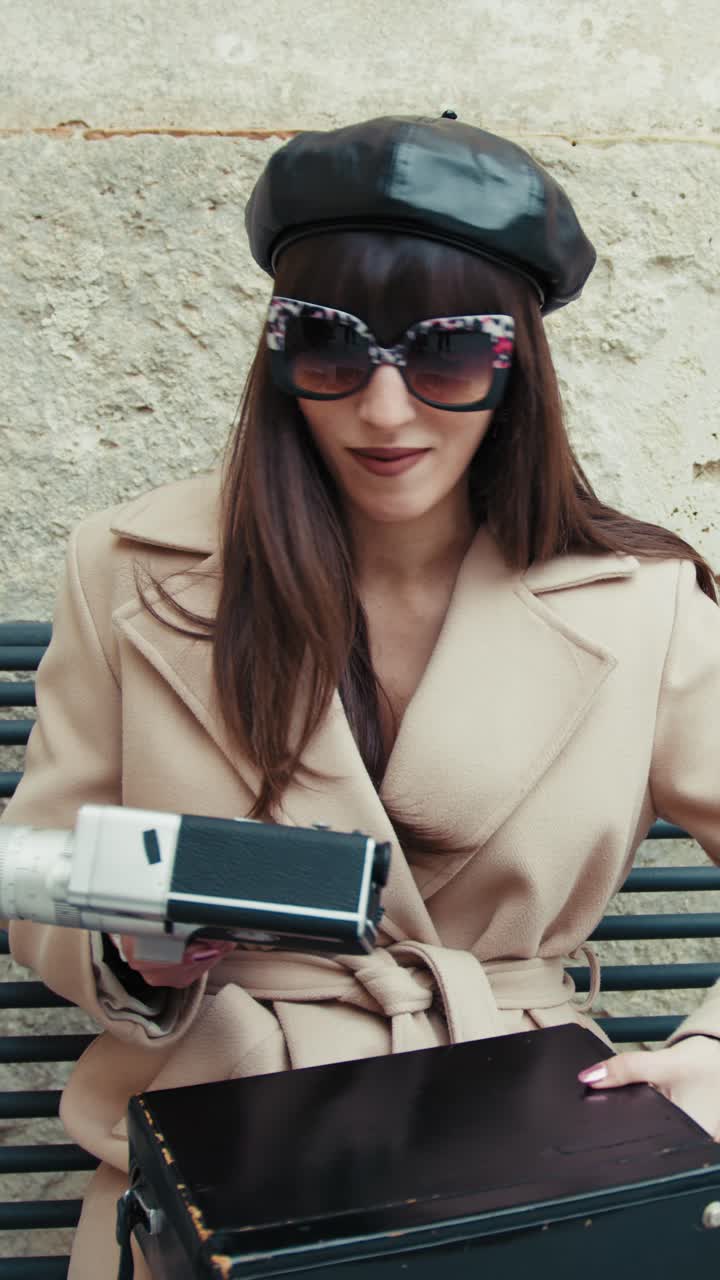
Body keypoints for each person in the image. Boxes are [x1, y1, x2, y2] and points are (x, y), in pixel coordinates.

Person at [4, 113, 720, 1278]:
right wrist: (133, 947)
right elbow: (37, 855)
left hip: (527, 1148)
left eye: (446, 355)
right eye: (330, 349)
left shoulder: (642, 598)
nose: (385, 414)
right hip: (221, 1143)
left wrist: (713, 1056)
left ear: (517, 361)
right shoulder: (131, 566)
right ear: (277, 353)